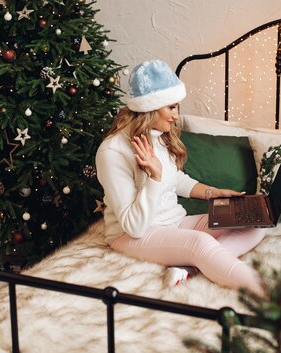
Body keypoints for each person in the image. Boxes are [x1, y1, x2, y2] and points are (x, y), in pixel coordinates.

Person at [95, 59, 267, 296]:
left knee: (255, 224)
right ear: (151, 108)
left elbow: (176, 180)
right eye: (171, 108)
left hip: (173, 223)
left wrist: (213, 193)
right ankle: (280, 295)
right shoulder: (112, 151)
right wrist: (154, 178)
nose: (176, 116)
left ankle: (188, 268)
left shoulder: (158, 135)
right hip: (132, 234)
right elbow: (134, 226)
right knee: (200, 244)